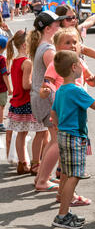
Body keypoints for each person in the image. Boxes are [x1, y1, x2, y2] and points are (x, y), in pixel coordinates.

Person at [50, 50, 95, 229]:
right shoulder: (76, 90)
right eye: (81, 64)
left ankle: (65, 212)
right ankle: (62, 216)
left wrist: (59, 126)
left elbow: (53, 113)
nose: (83, 67)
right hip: (75, 136)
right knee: (74, 175)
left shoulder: (61, 89)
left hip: (63, 134)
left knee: (66, 173)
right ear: (74, 67)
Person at [39, 27, 95, 204]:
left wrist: (93, 80)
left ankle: (61, 193)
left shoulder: (79, 62)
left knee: (66, 157)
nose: (72, 45)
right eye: (67, 42)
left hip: (75, 113)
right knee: (68, 157)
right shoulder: (56, 64)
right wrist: (46, 89)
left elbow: (88, 79)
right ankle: (67, 195)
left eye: (75, 42)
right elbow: (48, 81)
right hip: (63, 112)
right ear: (57, 47)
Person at [28, 11, 66, 187]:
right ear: (49, 28)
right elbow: (57, 77)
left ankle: (41, 177)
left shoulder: (43, 46)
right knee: (58, 140)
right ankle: (42, 180)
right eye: (57, 24)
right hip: (46, 98)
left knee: (54, 138)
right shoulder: (48, 50)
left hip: (40, 98)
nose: (60, 25)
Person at [6, 30, 48, 174]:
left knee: (22, 134)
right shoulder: (27, 62)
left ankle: (22, 163)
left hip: (17, 102)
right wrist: (39, 84)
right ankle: (36, 163)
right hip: (28, 103)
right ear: (25, 45)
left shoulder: (15, 60)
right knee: (41, 132)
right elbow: (26, 84)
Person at [0, 36, 12, 133]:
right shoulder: (2, 59)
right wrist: (9, 88)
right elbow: (4, 75)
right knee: (1, 106)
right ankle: (0, 124)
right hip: (1, 87)